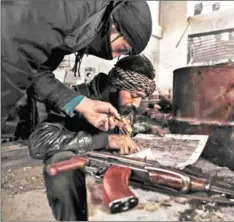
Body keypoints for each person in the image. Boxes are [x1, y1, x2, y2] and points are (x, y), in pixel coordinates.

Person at [28, 55, 158, 221]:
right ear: (115, 85)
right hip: (79, 174)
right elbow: (39, 142)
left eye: (141, 97)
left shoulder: (123, 104)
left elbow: (129, 126)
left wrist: (144, 129)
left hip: (110, 175)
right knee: (60, 162)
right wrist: (104, 140)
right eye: (133, 95)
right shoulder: (77, 98)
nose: (136, 104)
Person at [1, 0, 152, 132]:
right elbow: (12, 58)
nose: (113, 57)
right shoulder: (75, 8)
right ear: (114, 25)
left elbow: (38, 74)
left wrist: (82, 104)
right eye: (122, 49)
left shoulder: (76, 31)